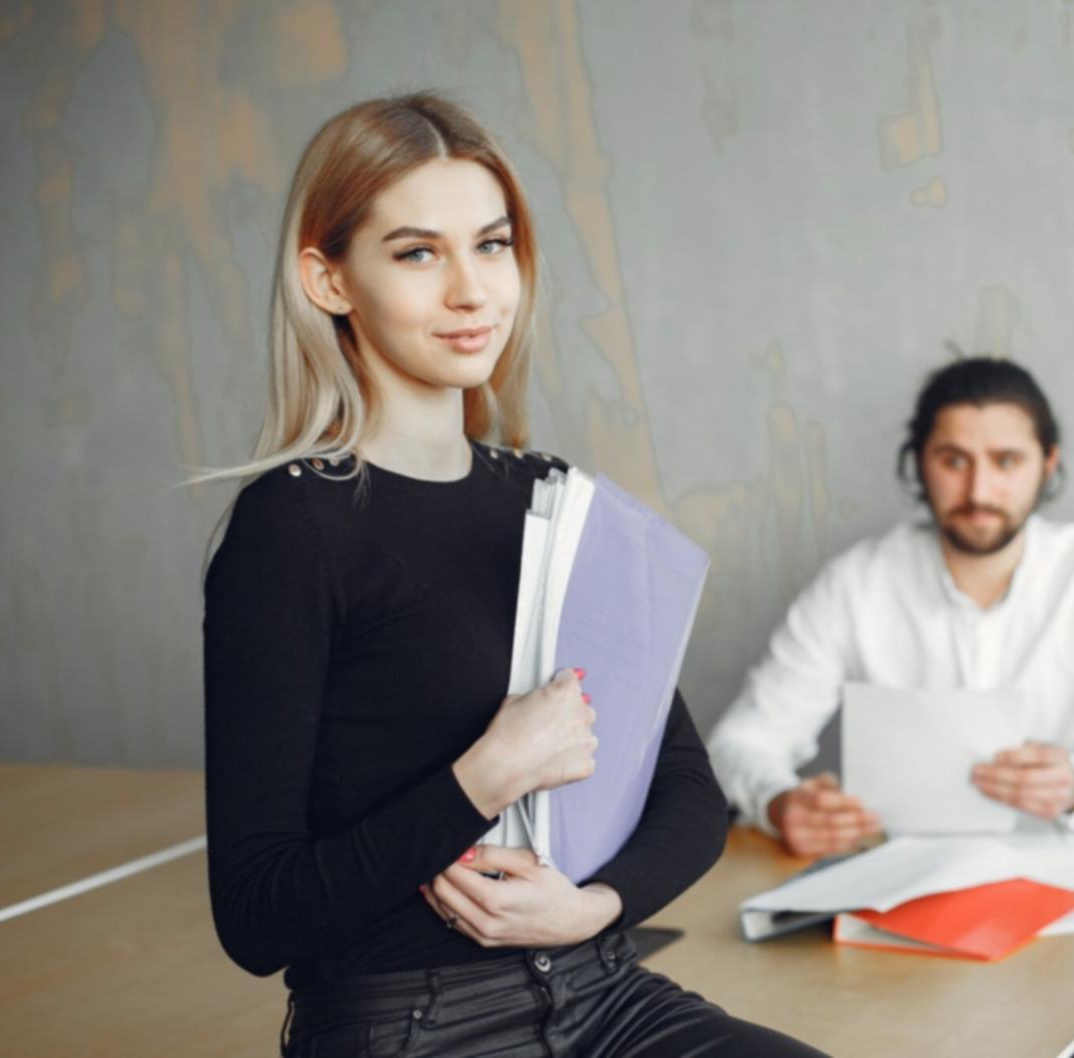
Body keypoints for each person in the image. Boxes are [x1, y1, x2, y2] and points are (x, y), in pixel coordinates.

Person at [201, 92, 823, 1058]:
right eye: (417, 253)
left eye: (491, 246)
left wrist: (593, 909)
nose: (472, 291)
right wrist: (482, 778)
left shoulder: (556, 502)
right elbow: (256, 916)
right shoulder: (292, 527)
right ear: (328, 280)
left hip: (604, 991)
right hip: (409, 1027)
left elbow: (692, 791)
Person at [707, 356, 1074, 1057]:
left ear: (1048, 464)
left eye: (1006, 460)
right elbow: (741, 743)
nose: (979, 489)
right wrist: (779, 802)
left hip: (1067, 881)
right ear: (918, 464)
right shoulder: (857, 585)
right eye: (954, 460)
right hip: (898, 891)